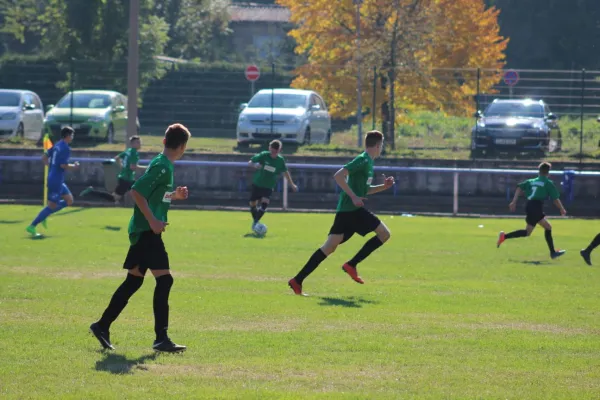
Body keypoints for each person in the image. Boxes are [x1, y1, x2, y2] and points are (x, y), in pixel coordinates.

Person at [90, 124, 191, 352]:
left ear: (165, 141)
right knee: (165, 280)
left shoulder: (162, 164)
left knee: (134, 281)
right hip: (147, 231)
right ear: (182, 146)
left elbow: (154, 193)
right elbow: (136, 191)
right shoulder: (163, 167)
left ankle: (102, 325)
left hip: (143, 230)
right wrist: (154, 221)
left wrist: (173, 195)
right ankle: (161, 338)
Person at [288, 130, 395, 296]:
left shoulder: (369, 162)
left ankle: (297, 280)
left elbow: (365, 191)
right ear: (377, 145)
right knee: (384, 234)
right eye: (382, 145)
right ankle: (351, 264)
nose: (382, 148)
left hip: (347, 211)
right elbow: (338, 176)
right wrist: (353, 197)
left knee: (329, 247)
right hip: (352, 210)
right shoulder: (363, 159)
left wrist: (384, 187)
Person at [497, 162, 567, 259]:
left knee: (527, 232)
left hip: (529, 205)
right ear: (548, 172)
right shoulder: (547, 183)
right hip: (536, 206)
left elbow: (519, 187)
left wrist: (514, 201)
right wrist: (562, 209)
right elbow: (555, 198)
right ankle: (553, 253)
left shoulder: (531, 181)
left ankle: (504, 237)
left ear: (539, 171)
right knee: (548, 227)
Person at [26, 126, 79, 237]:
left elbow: (44, 157)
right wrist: (74, 166)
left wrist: (51, 167)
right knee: (52, 206)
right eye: (72, 135)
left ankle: (46, 213)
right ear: (68, 136)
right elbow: (63, 165)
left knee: (69, 200)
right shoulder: (65, 148)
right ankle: (32, 226)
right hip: (56, 180)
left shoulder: (57, 145)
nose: (72, 137)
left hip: (56, 178)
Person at [248, 140, 298, 229]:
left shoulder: (280, 160)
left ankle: (255, 223)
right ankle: (256, 221)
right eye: (272, 150)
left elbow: (285, 172)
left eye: (276, 151)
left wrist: (292, 184)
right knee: (252, 204)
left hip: (269, 185)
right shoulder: (264, 155)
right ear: (269, 148)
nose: (274, 153)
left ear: (279, 150)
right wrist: (255, 165)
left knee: (265, 202)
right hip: (257, 183)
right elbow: (250, 162)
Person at [79, 136, 144, 204]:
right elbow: (132, 167)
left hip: (125, 178)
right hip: (127, 179)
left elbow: (117, 158)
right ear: (133, 144)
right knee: (115, 198)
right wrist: (146, 168)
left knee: (140, 192)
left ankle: (91, 192)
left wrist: (122, 167)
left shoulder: (128, 151)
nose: (140, 144)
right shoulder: (134, 153)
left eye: (140, 142)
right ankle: (91, 192)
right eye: (138, 142)